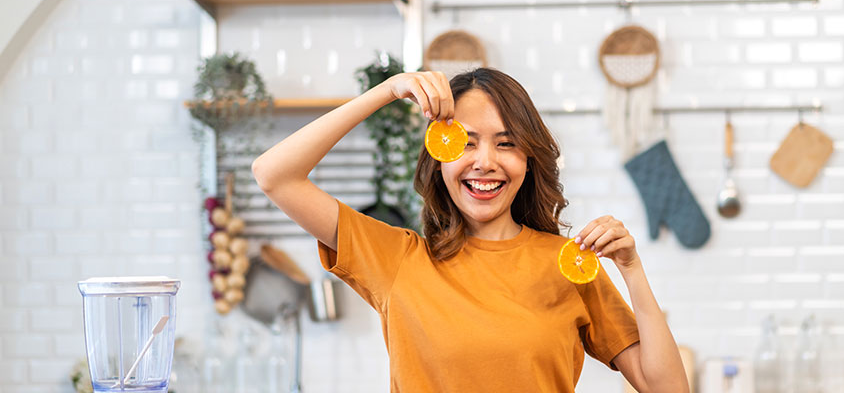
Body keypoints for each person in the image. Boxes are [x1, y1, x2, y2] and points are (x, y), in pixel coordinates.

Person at [252, 68, 687, 392]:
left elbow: (666, 389)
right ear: (438, 159)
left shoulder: (569, 264)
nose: (484, 162)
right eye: (465, 142)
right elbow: (274, 174)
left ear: (528, 161)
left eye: (506, 142)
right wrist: (387, 90)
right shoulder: (398, 261)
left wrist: (631, 269)